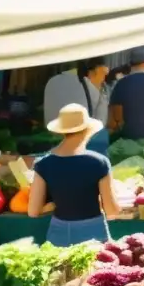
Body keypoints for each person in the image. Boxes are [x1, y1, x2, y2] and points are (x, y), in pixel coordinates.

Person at [28, 104, 120, 246]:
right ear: (87, 130)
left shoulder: (43, 164)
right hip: (93, 233)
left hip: (58, 233)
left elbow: (33, 211)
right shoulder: (99, 162)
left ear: (62, 131)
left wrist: (54, 203)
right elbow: (112, 211)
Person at [78, 57, 111, 156]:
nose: (107, 71)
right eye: (104, 68)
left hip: (102, 136)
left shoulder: (104, 88)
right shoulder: (82, 87)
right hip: (87, 138)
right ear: (97, 69)